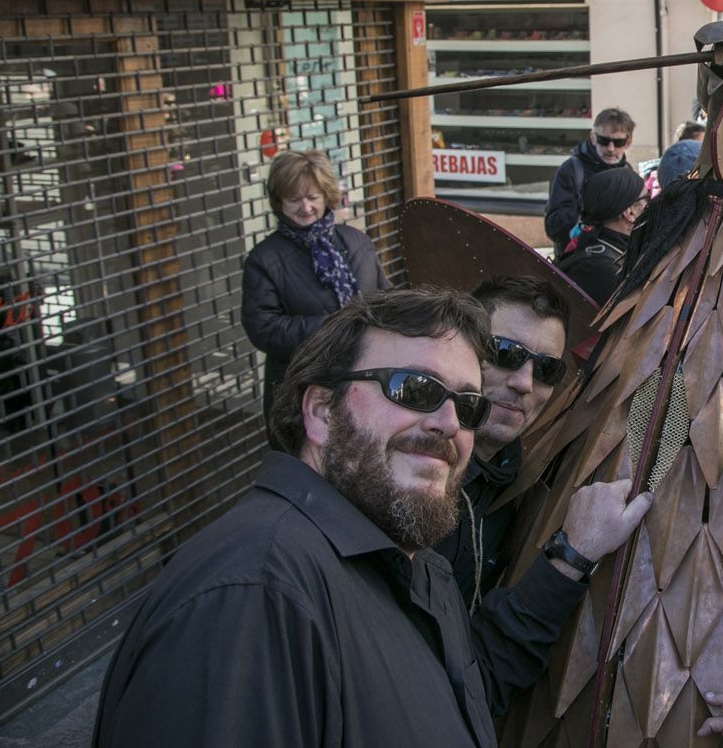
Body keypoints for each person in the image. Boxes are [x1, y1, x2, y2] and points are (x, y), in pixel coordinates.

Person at [94, 289, 651, 746]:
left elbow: (474, 687)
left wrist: (568, 561)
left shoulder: (410, 562)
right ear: (320, 411)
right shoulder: (251, 596)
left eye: (466, 405)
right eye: (413, 389)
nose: (446, 423)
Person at [432, 275, 570, 609]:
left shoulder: (523, 485)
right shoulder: (414, 469)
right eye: (506, 352)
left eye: (546, 369)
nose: (525, 383)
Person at [242, 149, 390, 430]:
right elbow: (264, 328)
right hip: (300, 393)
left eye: (312, 197)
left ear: (327, 195)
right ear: (279, 202)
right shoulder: (264, 259)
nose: (306, 207)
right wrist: (337, 325)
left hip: (366, 382)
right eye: (294, 199)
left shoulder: (355, 240)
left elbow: (384, 296)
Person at [545, 107, 634, 258]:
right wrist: (585, 208)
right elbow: (554, 227)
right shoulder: (572, 169)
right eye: (604, 141)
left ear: (628, 142)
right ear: (593, 138)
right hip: (579, 261)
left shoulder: (627, 171)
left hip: (616, 258)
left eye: (618, 142)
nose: (611, 149)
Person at [555, 165, 646, 307]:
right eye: (647, 198)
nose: (650, 205)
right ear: (630, 213)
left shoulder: (607, 248)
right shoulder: (601, 269)